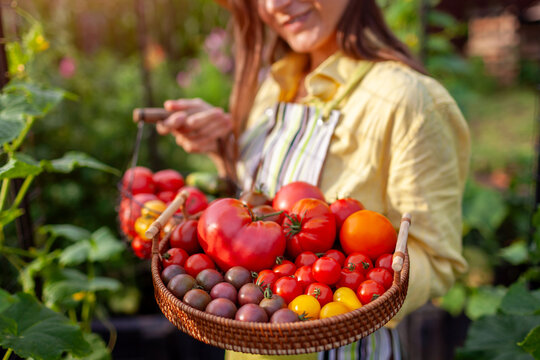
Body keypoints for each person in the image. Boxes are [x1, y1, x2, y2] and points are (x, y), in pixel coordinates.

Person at [156, 0, 470, 358]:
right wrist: (221, 150)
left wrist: (345, 299)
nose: (278, 4)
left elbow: (437, 258)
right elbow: (254, 217)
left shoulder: (410, 101)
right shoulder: (273, 85)